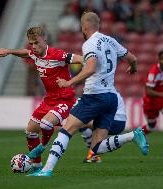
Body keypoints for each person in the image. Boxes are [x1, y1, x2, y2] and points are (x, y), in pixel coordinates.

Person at [29, 11, 148, 177]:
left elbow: (91, 68)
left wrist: (69, 82)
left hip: (94, 95)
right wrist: (133, 67)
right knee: (96, 147)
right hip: (111, 98)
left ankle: (47, 170)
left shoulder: (90, 44)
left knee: (66, 130)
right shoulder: (111, 41)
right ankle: (132, 135)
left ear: (84, 27)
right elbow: (133, 58)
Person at [0, 26, 82, 173]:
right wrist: (8, 51)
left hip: (65, 100)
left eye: (36, 43)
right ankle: (36, 167)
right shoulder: (34, 54)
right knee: (30, 131)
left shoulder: (57, 54)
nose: (33, 47)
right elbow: (25, 53)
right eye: (31, 43)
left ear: (44, 40)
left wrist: (89, 67)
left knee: (46, 124)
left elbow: (80, 59)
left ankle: (43, 146)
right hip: (49, 100)